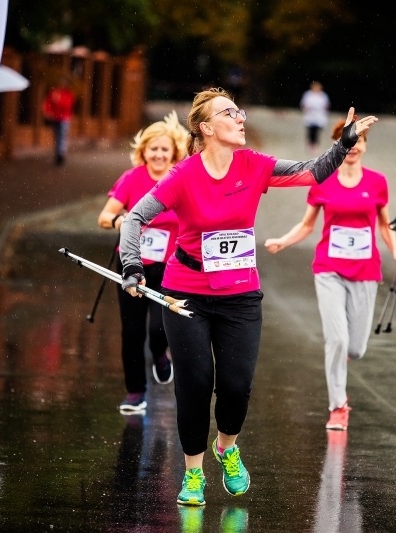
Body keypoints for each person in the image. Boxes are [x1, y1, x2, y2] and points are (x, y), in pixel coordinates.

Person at [119, 88, 377, 506]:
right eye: (229, 113)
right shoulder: (184, 174)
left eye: (239, 111)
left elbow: (313, 172)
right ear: (206, 128)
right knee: (196, 385)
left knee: (236, 387)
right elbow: (135, 218)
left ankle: (227, 447)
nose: (240, 118)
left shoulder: (254, 166)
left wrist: (344, 142)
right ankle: (193, 474)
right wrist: (132, 266)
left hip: (240, 295)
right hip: (186, 292)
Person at [264, 118, 396, 432]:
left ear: (366, 146)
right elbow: (307, 225)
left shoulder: (377, 182)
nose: (354, 146)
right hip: (328, 269)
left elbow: (384, 225)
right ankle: (338, 407)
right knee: (337, 340)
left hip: (365, 270)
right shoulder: (323, 181)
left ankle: (341, 356)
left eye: (360, 141)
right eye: (349, 141)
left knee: (355, 347)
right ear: (339, 144)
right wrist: (283, 240)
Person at [97, 111, 189, 414]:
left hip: (169, 266)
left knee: (158, 328)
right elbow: (104, 217)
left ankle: (161, 353)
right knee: (132, 330)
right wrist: (123, 220)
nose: (159, 154)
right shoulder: (131, 178)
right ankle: (135, 392)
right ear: (143, 151)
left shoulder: (181, 179)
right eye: (154, 149)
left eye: (165, 149)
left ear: (174, 152)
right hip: (130, 262)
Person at [42, 78, 76, 166]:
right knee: (57, 136)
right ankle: (58, 153)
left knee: (62, 136)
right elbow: (48, 103)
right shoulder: (55, 93)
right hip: (55, 117)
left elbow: (67, 106)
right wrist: (47, 111)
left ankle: (61, 154)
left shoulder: (68, 94)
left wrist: (58, 101)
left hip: (64, 118)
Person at [300, 81, 330, 155]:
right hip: (310, 115)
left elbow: (326, 105)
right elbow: (304, 104)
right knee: (310, 131)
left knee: (316, 131)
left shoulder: (323, 96)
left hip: (319, 116)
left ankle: (315, 145)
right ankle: (309, 144)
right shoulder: (308, 94)